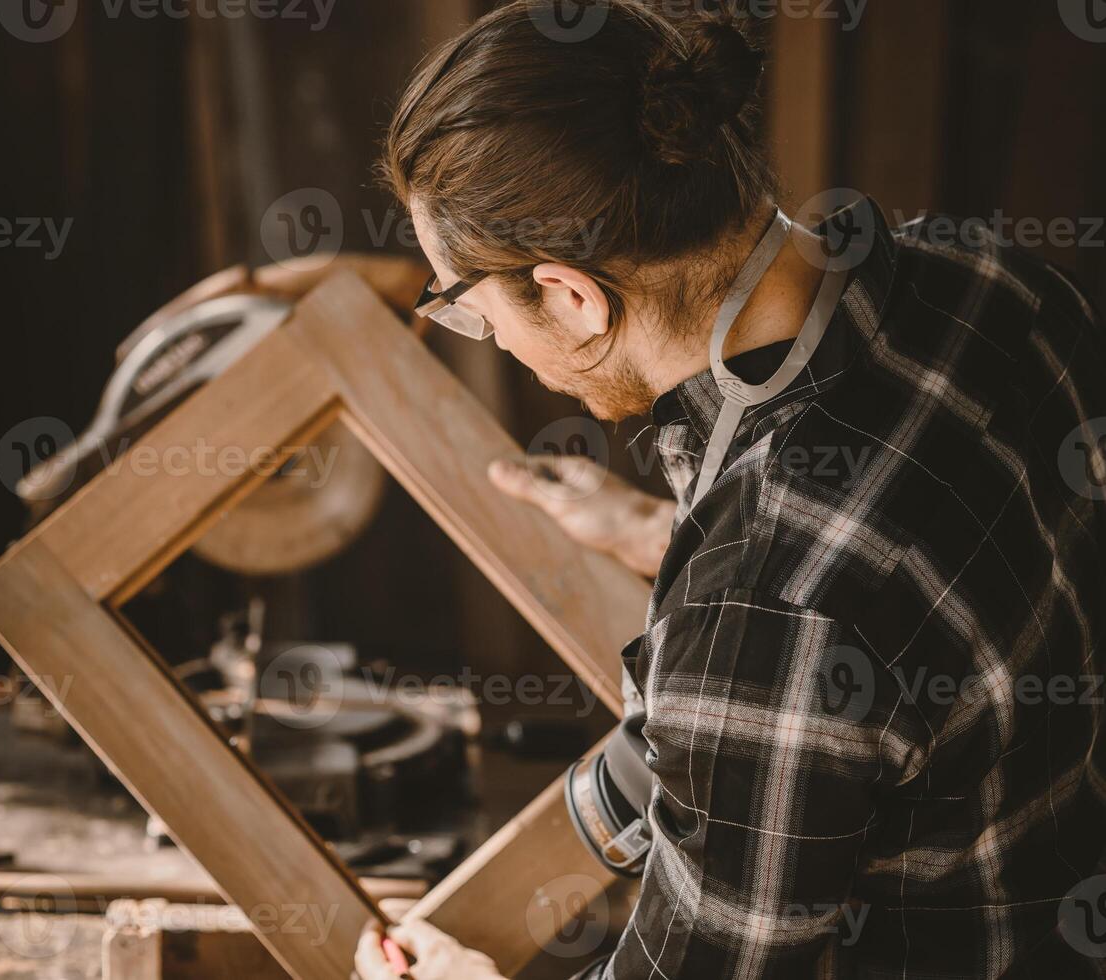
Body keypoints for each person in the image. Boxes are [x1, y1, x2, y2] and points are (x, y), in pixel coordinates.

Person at [353, 1, 1106, 978]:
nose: (490, 338)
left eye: (470, 306)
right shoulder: (988, 276)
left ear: (573, 297)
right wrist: (662, 535)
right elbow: (908, 590)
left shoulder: (765, 606)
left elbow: (793, 623)